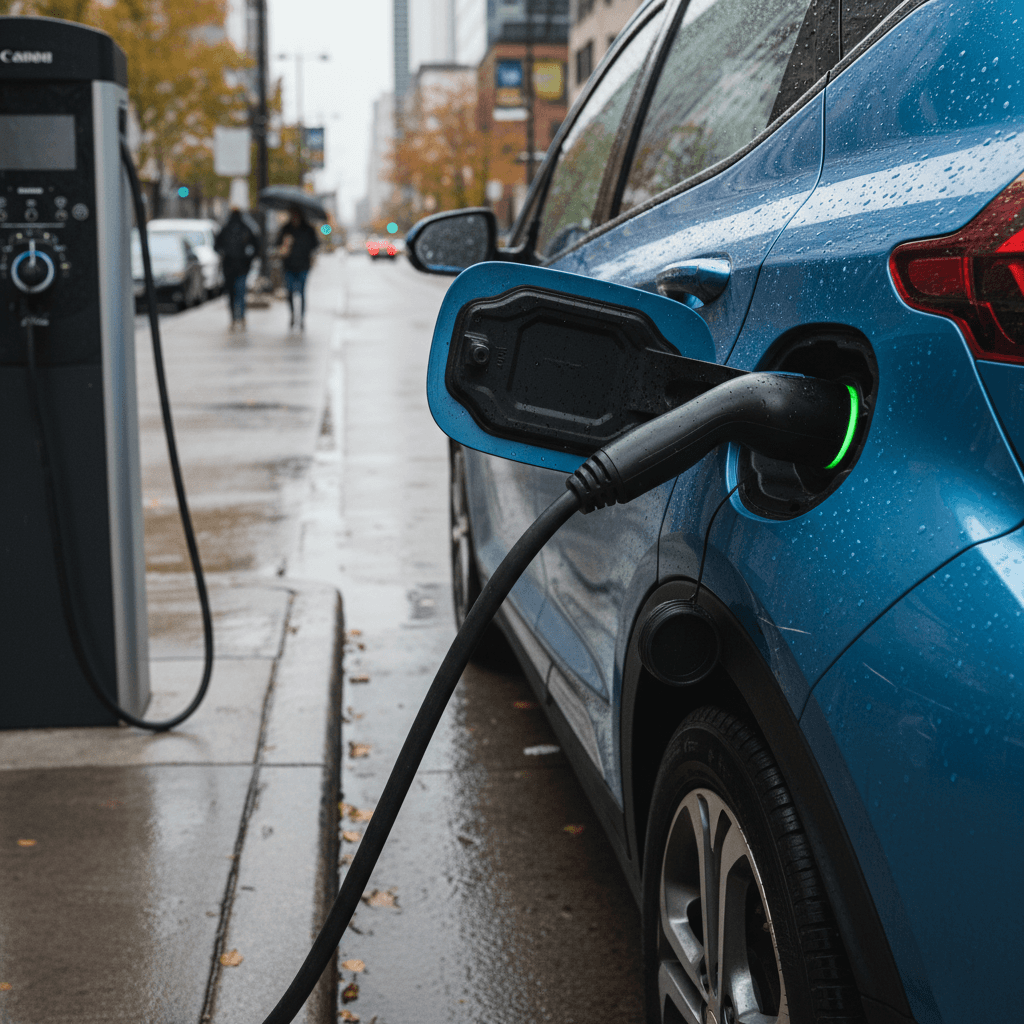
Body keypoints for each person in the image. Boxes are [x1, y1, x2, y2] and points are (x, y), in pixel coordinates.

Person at [275, 207, 319, 331]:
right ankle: (293, 314)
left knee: (302, 292)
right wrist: (285, 243)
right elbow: (277, 244)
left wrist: (309, 253)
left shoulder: (308, 229)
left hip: (304, 266)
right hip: (288, 266)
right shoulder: (286, 229)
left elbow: (315, 245)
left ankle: (302, 318)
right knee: (289, 292)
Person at [214, 208, 258, 330]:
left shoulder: (226, 228)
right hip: (241, 267)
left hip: (230, 267)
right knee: (240, 293)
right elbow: (255, 246)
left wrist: (223, 253)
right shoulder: (246, 228)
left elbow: (217, 246)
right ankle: (240, 317)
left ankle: (234, 318)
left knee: (233, 294)